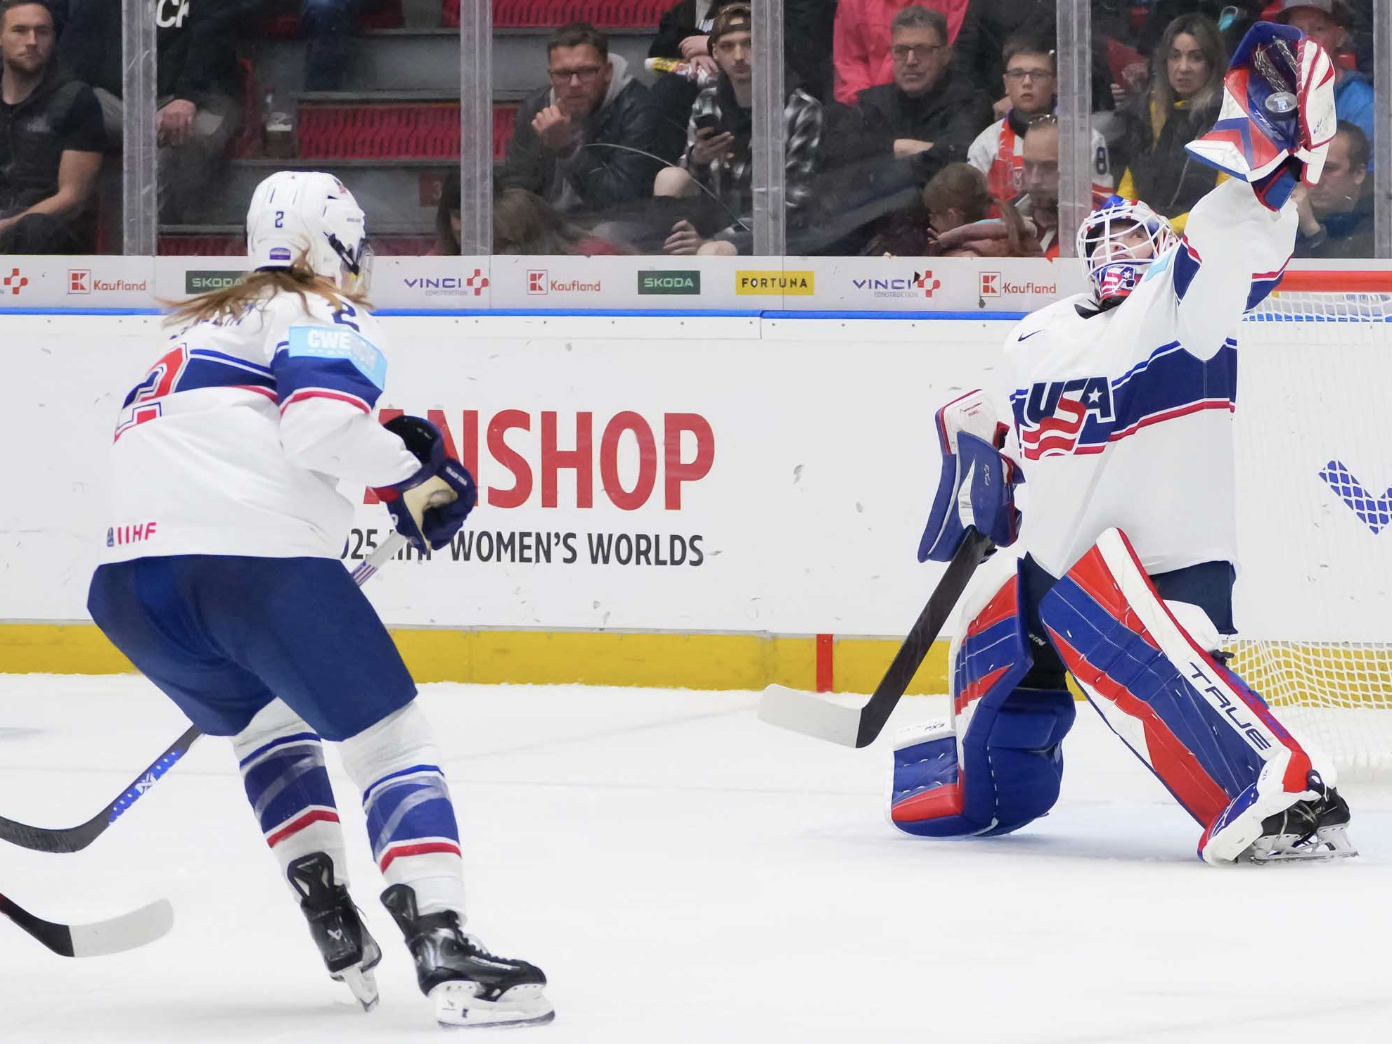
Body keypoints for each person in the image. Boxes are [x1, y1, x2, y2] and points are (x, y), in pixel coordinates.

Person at [84, 170, 554, 1029]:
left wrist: (387, 479)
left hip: (128, 590)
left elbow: (259, 436)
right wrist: (418, 478)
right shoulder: (322, 309)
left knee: (269, 728)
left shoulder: (192, 331)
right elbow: (320, 427)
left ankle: (329, 909)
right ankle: (444, 944)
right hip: (250, 570)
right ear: (334, 240)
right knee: (390, 739)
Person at [893, 23, 1355, 866]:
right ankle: (971, 782)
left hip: (1164, 562)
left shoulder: (1179, 309)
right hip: (1051, 564)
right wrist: (973, 481)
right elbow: (972, 416)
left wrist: (1266, 175)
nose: (1122, 248)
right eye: (1106, 239)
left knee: (1137, 634)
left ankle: (1276, 787)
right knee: (994, 655)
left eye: (1142, 236)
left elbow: (1229, 247)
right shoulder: (1035, 336)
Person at [654, 4, 822, 256]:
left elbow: (792, 202)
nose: (739, 56)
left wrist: (712, 241)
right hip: (717, 221)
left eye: (749, 43)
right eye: (727, 46)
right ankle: (670, 254)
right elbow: (692, 179)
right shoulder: (707, 101)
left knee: (712, 253)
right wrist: (698, 159)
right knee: (670, 177)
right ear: (715, 55)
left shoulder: (803, 109)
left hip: (782, 232)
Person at [59, 0, 244, 223]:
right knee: (69, 106)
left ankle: (168, 238)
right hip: (117, 103)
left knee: (191, 137)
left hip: (197, 97)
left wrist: (188, 96)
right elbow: (77, 51)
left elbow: (212, 40)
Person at [500, 22, 665, 222]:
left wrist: (568, 150)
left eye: (587, 71)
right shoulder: (536, 106)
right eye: (563, 74)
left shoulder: (637, 108)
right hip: (551, 226)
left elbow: (624, 201)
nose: (575, 84)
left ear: (607, 72)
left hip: (613, 225)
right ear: (550, 76)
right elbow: (517, 187)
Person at [0, 0, 102, 253]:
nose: (32, 41)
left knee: (35, 228)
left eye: (42, 31)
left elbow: (72, 197)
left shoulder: (77, 99)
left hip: (53, 233)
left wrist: (7, 225)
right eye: (20, 30)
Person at [1114, 13, 1226, 235]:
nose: (1183, 68)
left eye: (1196, 57)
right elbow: (1129, 187)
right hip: (1149, 241)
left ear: (1212, 64)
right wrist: (1121, 223)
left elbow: (1225, 204)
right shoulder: (1148, 112)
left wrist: (1162, 228)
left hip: (1205, 247)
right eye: (1175, 56)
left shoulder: (1228, 119)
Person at [967, 35, 1113, 204]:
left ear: (1056, 84)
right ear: (1006, 84)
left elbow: (1100, 205)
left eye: (1038, 74)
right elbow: (975, 211)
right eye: (1017, 74)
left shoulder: (1087, 139)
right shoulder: (985, 144)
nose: (1027, 82)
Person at [852, 6, 990, 172]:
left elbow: (959, 157)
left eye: (922, 50)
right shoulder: (872, 103)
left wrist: (892, 150)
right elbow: (842, 153)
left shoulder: (970, 102)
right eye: (900, 50)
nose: (910, 60)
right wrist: (908, 148)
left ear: (946, 55)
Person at [1273, 0, 1374, 155]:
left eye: (1318, 29)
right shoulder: (1267, 91)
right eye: (1295, 30)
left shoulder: (1363, 105)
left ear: (1340, 37)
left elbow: (1368, 177)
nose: (1305, 39)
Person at [831, 0, 976, 105]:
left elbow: (947, 52)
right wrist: (871, 104)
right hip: (866, 105)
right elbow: (850, 62)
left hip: (935, 100)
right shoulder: (852, 3)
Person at [922, 162, 1038, 257]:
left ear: (952, 216)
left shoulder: (959, 259)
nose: (931, 222)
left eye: (933, 216)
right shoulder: (1021, 236)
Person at [1292, 121, 1372, 258]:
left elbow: (1348, 275)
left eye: (1328, 169)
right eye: (1308, 168)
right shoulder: (1288, 215)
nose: (1315, 180)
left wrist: (1312, 229)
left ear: (1358, 173)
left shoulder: (1380, 221)